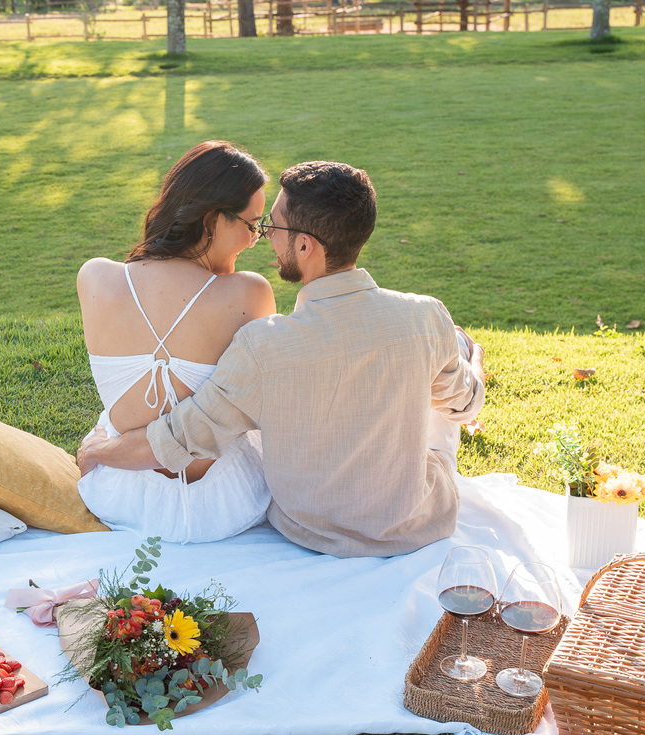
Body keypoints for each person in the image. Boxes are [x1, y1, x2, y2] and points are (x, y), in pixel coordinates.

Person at [78, 160, 487, 558]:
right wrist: (473, 364)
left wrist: (100, 452)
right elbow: (465, 405)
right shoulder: (425, 316)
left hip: (308, 530)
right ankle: (462, 349)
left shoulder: (265, 345)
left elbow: (185, 436)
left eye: (271, 226)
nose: (263, 237)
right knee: (443, 396)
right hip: (415, 524)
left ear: (305, 245)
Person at [76, 141, 278, 542]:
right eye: (253, 224)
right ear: (212, 219)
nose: (257, 238)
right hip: (220, 502)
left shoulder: (96, 276)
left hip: (119, 492)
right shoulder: (248, 293)